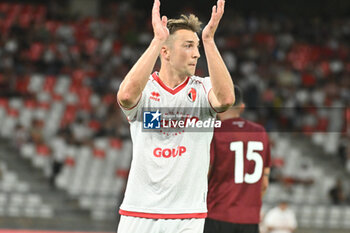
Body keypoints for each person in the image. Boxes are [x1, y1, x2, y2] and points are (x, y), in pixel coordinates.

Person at [116, 0, 234, 232]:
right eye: (188, 46)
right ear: (166, 52)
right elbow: (126, 95)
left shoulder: (203, 89)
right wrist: (157, 39)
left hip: (187, 217)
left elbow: (226, 100)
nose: (196, 54)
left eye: (197, 47)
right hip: (138, 212)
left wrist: (209, 41)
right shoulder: (146, 90)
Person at [204, 86, 271, 233]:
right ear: (242, 107)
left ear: (218, 105)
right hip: (250, 218)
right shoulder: (260, 132)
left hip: (218, 213)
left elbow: (205, 173)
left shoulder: (214, 131)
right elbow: (264, 183)